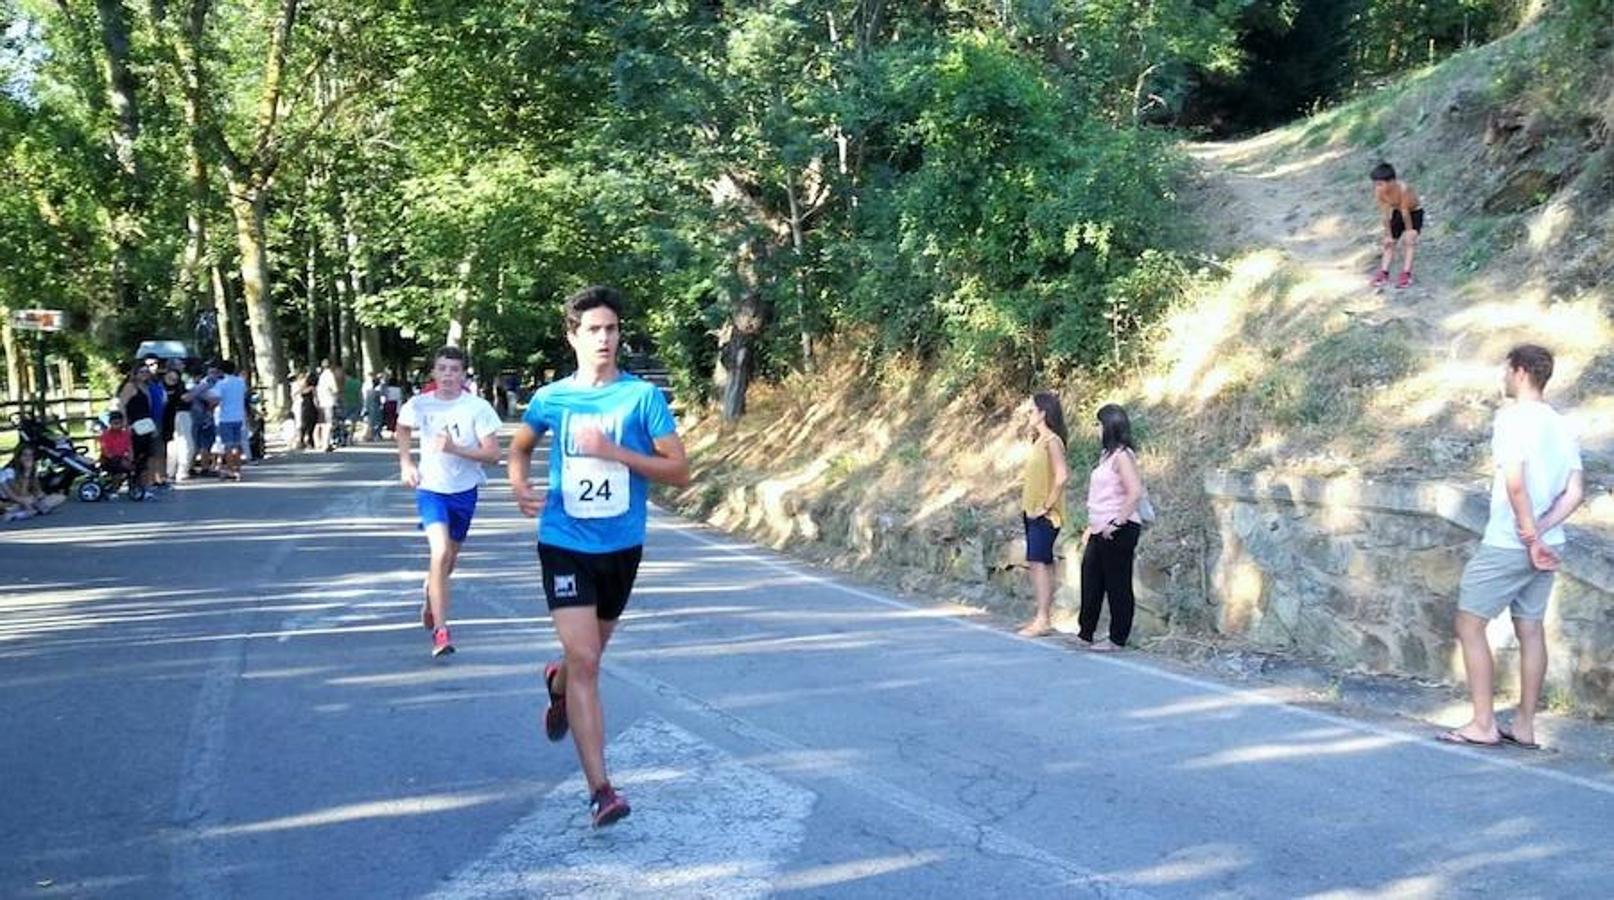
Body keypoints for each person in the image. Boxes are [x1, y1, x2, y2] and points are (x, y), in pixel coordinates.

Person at [508, 285, 690, 829]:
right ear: (573, 335)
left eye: (612, 329)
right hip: (564, 541)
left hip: (622, 547)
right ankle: (601, 791)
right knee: (587, 659)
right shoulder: (551, 398)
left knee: (586, 658)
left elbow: (679, 471)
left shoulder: (642, 399)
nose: (605, 338)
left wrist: (614, 452)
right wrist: (519, 484)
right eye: (594, 330)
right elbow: (520, 444)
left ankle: (557, 680)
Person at [1442, 345, 1583, 749]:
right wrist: (1543, 531)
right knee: (1531, 630)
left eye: (1505, 369)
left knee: (1469, 624)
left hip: (1509, 542)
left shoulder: (1511, 420)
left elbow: (1515, 481)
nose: (1501, 376)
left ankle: (1483, 724)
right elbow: (1575, 492)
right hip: (1548, 543)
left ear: (1520, 372)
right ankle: (1524, 725)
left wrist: (1527, 533)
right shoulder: (1561, 424)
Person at [396, 346, 503, 658]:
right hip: (431, 489)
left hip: (464, 491)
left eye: (453, 370)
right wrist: (406, 463)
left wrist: (456, 449)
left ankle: (431, 594)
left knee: (448, 561)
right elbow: (402, 428)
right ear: (433, 372)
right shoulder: (420, 404)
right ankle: (442, 632)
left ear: (463, 374)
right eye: (441, 369)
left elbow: (493, 455)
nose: (447, 375)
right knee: (440, 551)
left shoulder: (477, 408)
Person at [1076, 404, 1145, 652]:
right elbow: (1101, 496)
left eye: (1098, 424)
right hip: (1099, 527)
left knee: (1117, 584)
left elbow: (1134, 491)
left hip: (1119, 528)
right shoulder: (1106, 456)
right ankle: (1085, 633)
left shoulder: (1122, 456)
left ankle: (1117, 638)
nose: (1096, 429)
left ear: (1109, 426)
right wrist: (1091, 526)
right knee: (1091, 579)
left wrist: (1117, 522)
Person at [1016, 392, 1070, 638]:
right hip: (1031, 511)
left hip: (1045, 515)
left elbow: (1062, 476)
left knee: (1040, 563)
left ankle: (1043, 619)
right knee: (1038, 564)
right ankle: (1041, 616)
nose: (1028, 414)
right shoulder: (1038, 441)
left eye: (1031, 410)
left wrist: (1046, 506)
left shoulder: (1052, 441)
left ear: (1043, 413)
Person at [1370, 162, 1423, 289]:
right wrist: (1388, 235)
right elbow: (1385, 214)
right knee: (1389, 243)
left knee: (1409, 242)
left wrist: (1409, 231)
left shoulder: (1403, 189)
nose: (1378, 187)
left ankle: (1406, 273)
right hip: (1398, 212)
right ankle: (1384, 272)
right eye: (1376, 184)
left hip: (1414, 213)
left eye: (1381, 184)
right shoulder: (1379, 192)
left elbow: (1406, 212)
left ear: (1392, 182)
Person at [117, 362, 157, 495]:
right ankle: (134, 485)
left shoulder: (146, 387)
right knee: (136, 455)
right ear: (135, 373)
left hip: (146, 424)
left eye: (146, 371)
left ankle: (143, 484)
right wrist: (125, 423)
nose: (144, 374)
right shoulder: (130, 387)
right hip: (134, 424)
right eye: (141, 372)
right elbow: (122, 404)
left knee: (145, 455)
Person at [1, 446, 66, 517]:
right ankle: (22, 511)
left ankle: (30, 509)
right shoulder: (9, 472)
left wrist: (41, 497)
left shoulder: (32, 470)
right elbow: (19, 493)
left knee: (60, 497)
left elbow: (38, 491)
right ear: (19, 457)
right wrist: (27, 473)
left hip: (25, 498)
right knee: (28, 501)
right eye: (25, 455)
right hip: (10, 499)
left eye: (30, 455)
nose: (28, 458)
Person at [211, 360, 249, 481]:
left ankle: (230, 469)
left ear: (221, 371)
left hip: (225, 417)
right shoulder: (241, 382)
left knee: (227, 445)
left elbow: (215, 398)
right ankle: (238, 469)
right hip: (239, 416)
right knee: (236, 445)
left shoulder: (221, 383)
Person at [185, 364, 221, 476]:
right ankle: (204, 468)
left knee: (195, 444)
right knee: (205, 444)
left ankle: (190, 467)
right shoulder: (201, 386)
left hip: (193, 417)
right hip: (202, 418)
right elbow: (212, 400)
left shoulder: (188, 385)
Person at [315, 359, 339, 451]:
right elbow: (334, 389)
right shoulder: (330, 375)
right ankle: (326, 443)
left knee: (323, 424)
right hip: (329, 401)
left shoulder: (321, 376)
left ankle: (324, 442)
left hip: (322, 402)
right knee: (329, 424)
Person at [297, 368, 319, 450]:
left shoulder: (303, 389)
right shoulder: (313, 388)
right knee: (311, 424)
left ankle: (302, 440)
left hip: (304, 406)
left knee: (304, 424)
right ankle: (310, 441)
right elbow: (316, 398)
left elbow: (297, 394)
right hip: (311, 406)